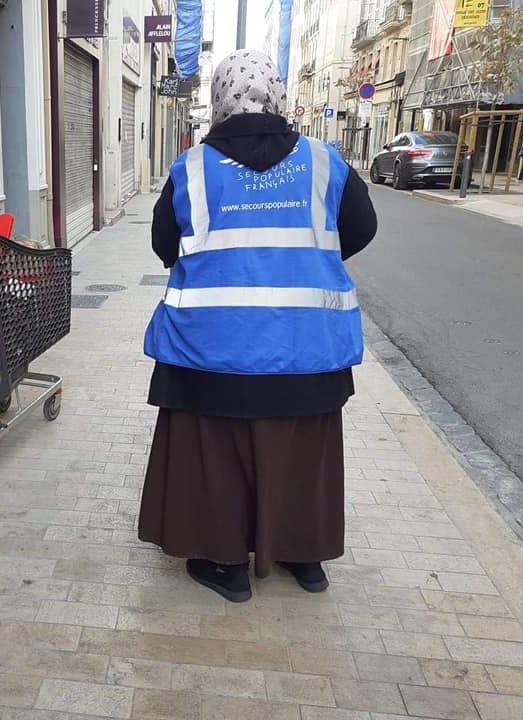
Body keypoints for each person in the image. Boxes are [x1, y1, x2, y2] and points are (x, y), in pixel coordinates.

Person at [139, 50, 377, 602]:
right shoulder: (324, 161)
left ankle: (224, 566)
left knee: (214, 456)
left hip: (209, 351)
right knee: (302, 457)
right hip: (308, 351)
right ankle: (302, 554)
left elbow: (162, 244)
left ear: (221, 100)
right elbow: (360, 229)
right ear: (276, 93)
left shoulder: (193, 167)